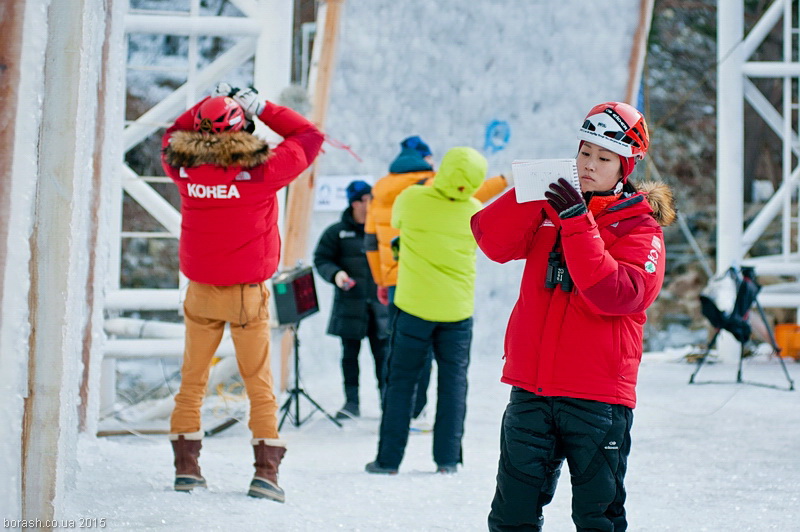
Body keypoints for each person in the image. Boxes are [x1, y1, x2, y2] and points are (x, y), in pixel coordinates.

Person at [471, 102, 675, 530]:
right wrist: (530, 191)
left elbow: (619, 294)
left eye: (604, 158)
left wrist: (577, 223)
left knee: (596, 519)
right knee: (510, 518)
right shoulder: (552, 207)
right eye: (584, 153)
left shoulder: (641, 227)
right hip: (532, 388)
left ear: (626, 166)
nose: (589, 165)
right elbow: (491, 240)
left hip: (597, 396)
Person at [161, 85, 324, 503]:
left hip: (199, 291)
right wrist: (260, 105)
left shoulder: (182, 167)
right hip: (246, 294)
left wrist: (205, 105)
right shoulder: (264, 170)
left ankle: (186, 470)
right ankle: (265, 474)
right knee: (259, 383)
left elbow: (170, 134)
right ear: (245, 127)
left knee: (192, 380)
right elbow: (309, 137)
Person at [365, 136, 508, 425]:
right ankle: (419, 410)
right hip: (424, 279)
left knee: (398, 352)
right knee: (429, 351)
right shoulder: (431, 186)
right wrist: (503, 181)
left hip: (395, 281)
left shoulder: (380, 190)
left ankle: (392, 412)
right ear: (426, 159)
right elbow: (469, 195)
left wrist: (381, 279)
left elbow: (370, 240)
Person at [313, 180, 389, 420]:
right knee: (349, 357)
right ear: (356, 203)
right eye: (368, 199)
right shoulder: (336, 232)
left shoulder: (381, 229)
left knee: (384, 358)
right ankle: (351, 403)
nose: (372, 204)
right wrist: (336, 275)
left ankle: (387, 403)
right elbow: (321, 259)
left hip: (379, 309)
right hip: (349, 307)